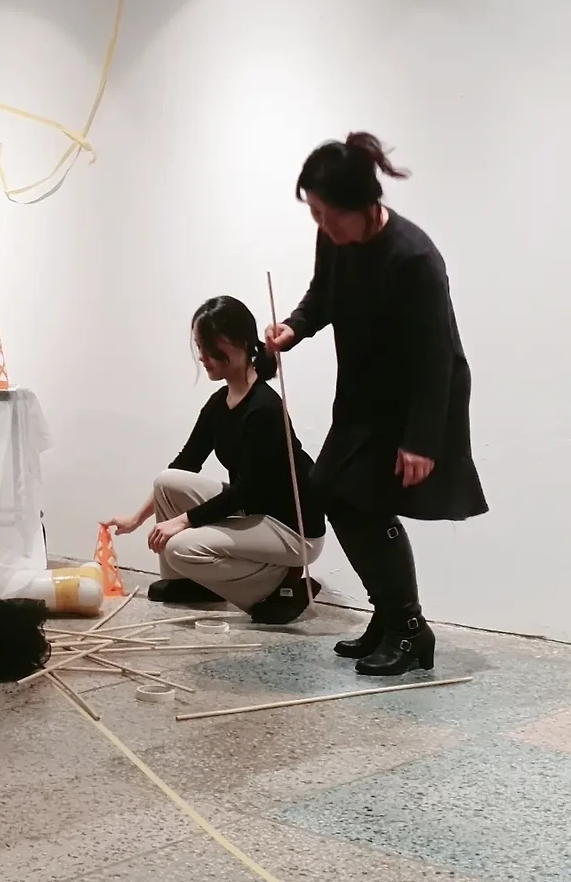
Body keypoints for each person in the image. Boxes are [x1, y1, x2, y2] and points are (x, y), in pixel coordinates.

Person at [267, 133, 486, 676]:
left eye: (329, 214)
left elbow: (437, 358)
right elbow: (324, 293)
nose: (323, 225)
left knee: (363, 500)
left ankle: (408, 629)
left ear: (365, 205)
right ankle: (391, 618)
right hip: (363, 395)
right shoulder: (335, 239)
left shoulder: (414, 258)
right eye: (314, 214)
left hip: (414, 402)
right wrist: (294, 327)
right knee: (331, 490)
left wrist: (422, 441)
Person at [108, 296, 325, 624]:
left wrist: (183, 521)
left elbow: (244, 492)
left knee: (179, 546)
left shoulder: (264, 408)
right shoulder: (219, 403)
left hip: (292, 528)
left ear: (242, 343)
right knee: (167, 481)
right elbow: (185, 463)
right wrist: (137, 518)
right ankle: (192, 582)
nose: (202, 357)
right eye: (199, 346)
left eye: (210, 348)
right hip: (255, 510)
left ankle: (280, 587)